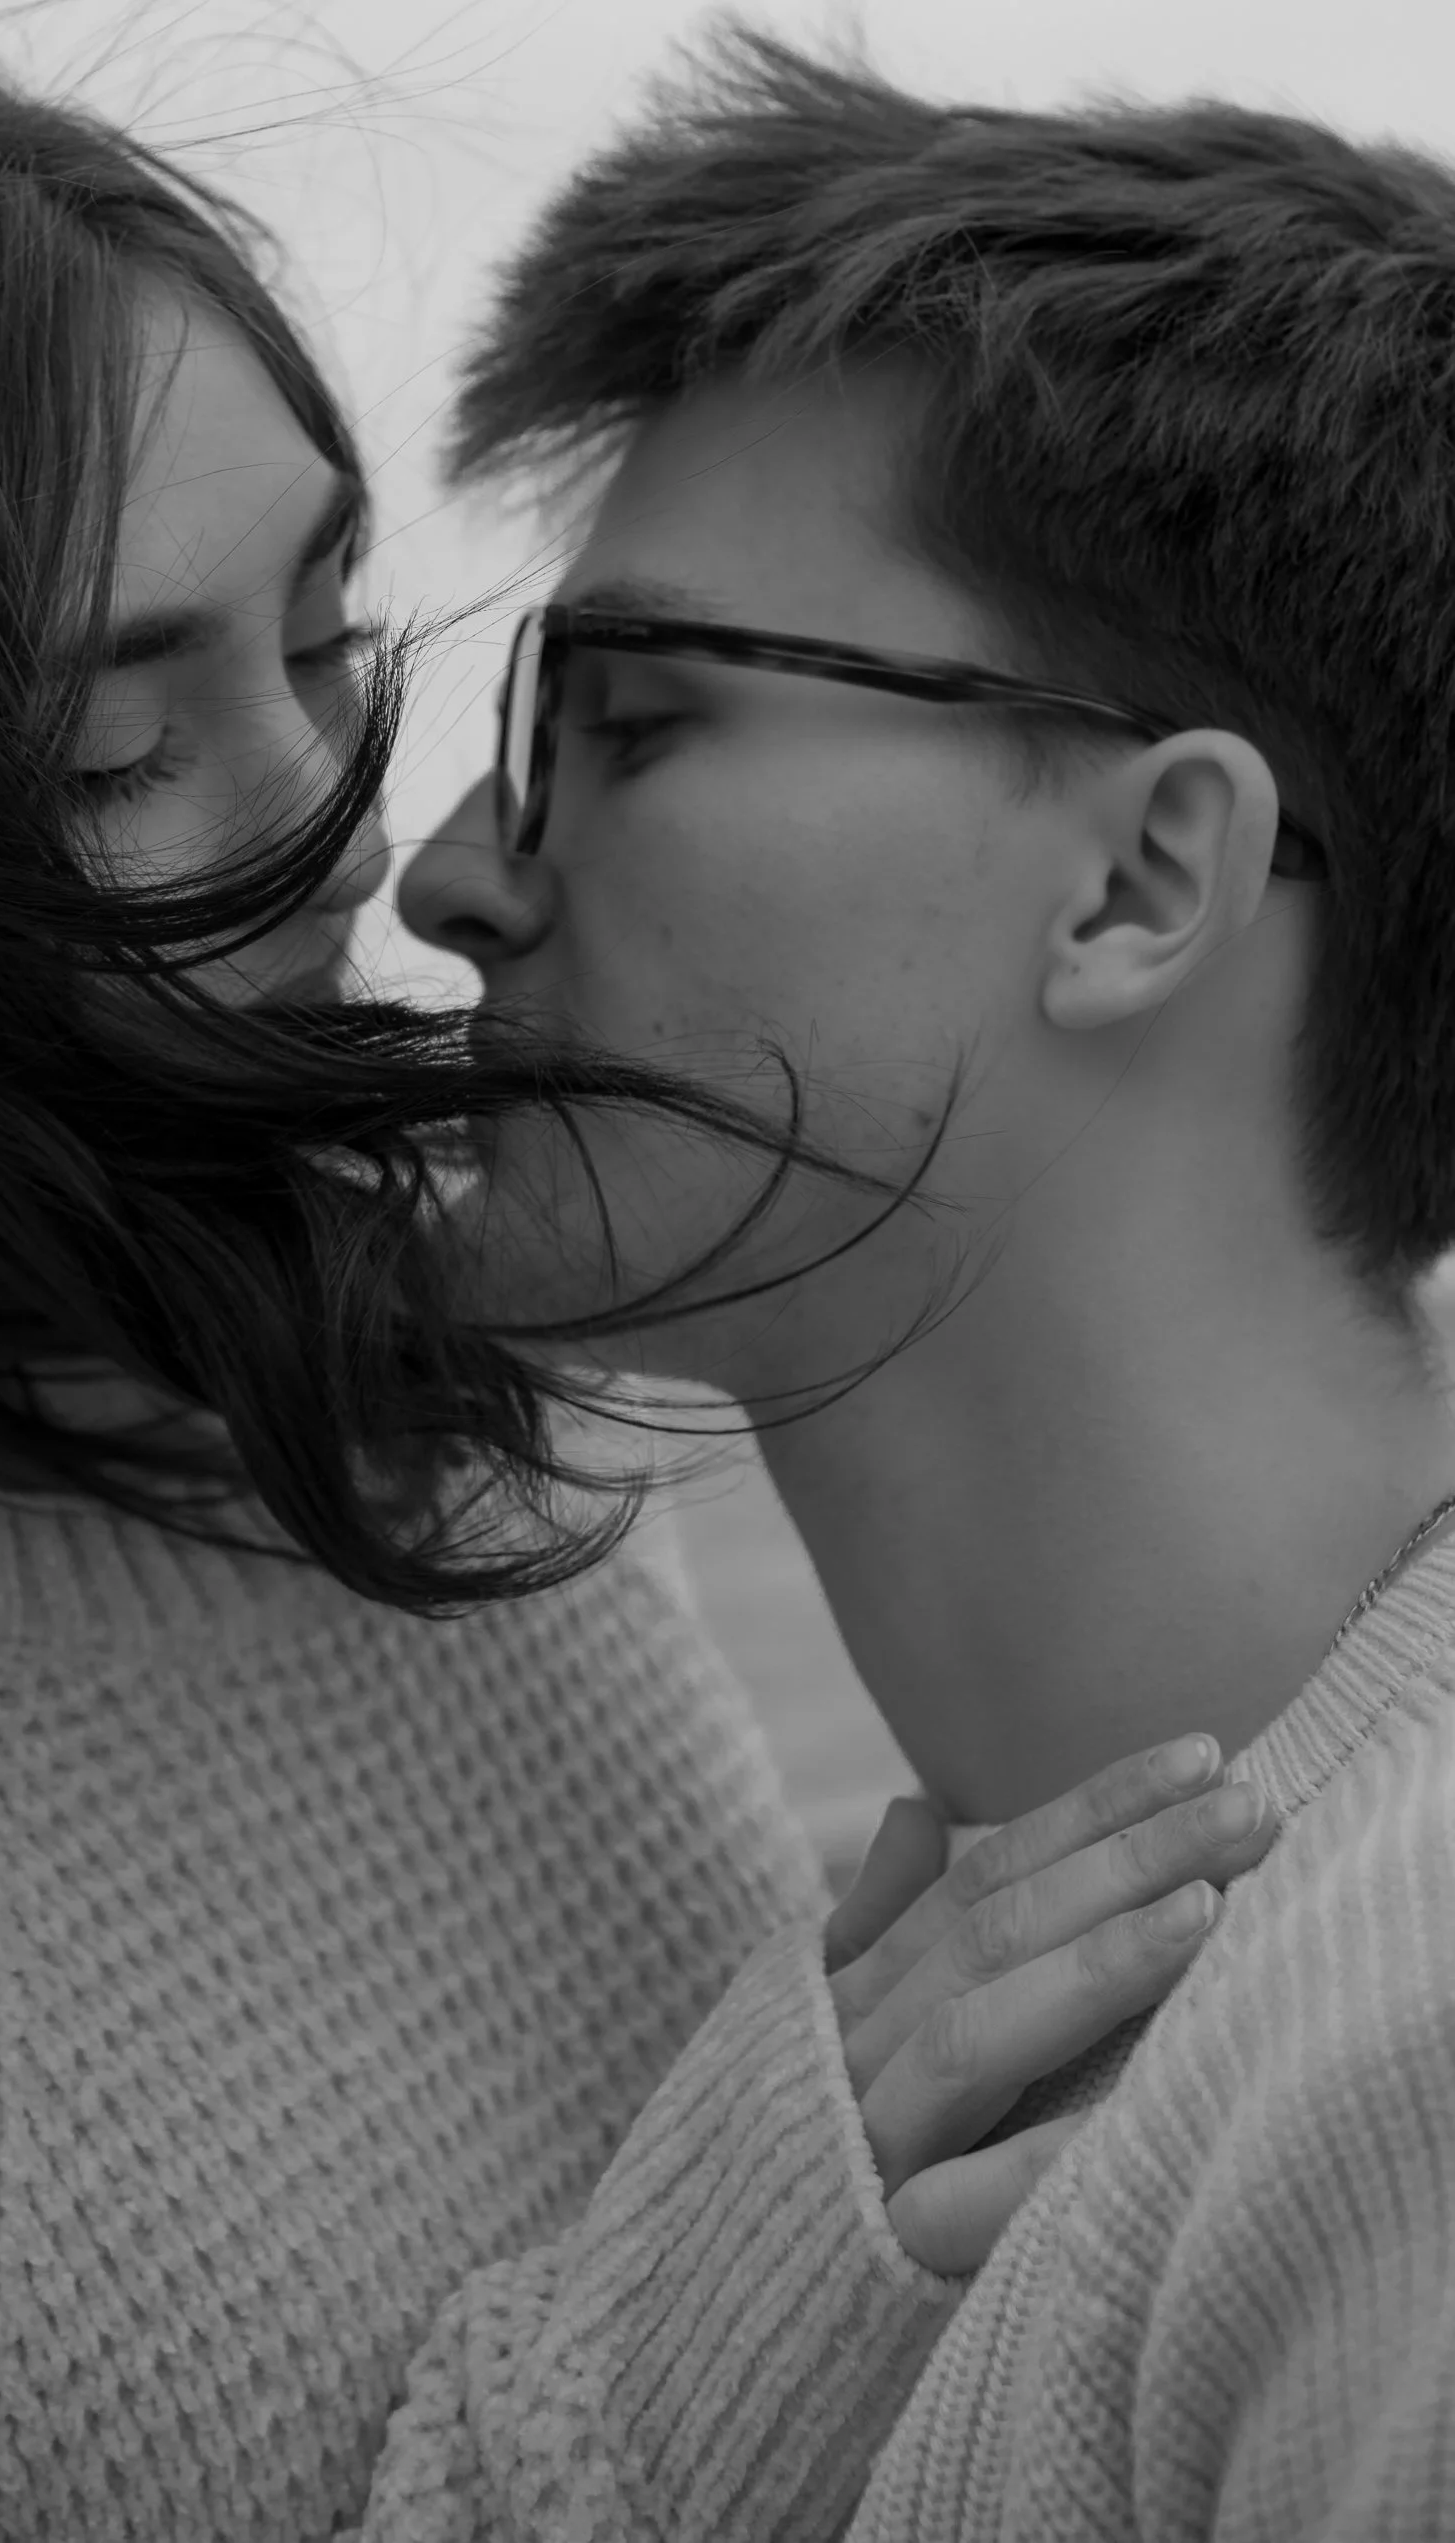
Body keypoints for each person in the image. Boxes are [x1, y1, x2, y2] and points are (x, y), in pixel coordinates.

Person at [0, 23, 1274, 2542]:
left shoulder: (444, 1456)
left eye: (327, 626)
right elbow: (703, 2314)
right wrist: (724, 2307)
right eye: (114, 756)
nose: (343, 828)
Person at [397, 29, 1455, 2540]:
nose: (448, 865)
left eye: (626, 717)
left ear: (1135, 884)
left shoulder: (1404, 2085)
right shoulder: (1039, 2014)